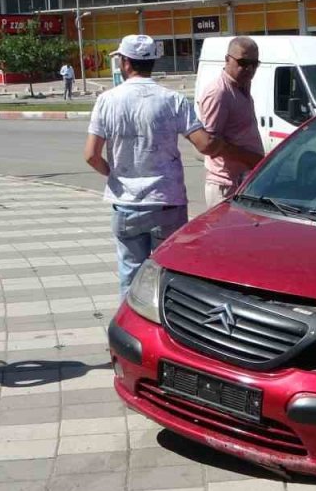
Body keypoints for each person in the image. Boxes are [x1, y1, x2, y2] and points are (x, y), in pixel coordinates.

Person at [84, 35, 260, 296]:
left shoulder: (107, 100)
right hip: (168, 202)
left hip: (126, 204)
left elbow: (90, 155)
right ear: (153, 62)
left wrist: (115, 175)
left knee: (130, 275)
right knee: (169, 274)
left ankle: (131, 328)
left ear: (125, 63)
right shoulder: (172, 100)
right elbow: (204, 143)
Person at [197, 37, 265, 208]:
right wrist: (252, 159)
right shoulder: (219, 92)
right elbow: (211, 144)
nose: (249, 69)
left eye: (254, 64)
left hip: (242, 182)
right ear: (227, 59)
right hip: (225, 186)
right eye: (243, 62)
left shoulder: (242, 86)